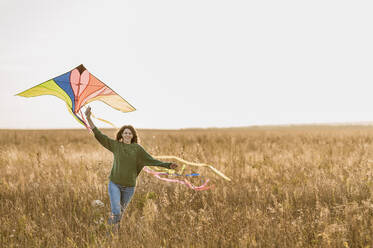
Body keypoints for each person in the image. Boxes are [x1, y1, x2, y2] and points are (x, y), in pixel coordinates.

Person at [84, 106, 177, 231]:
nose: (127, 134)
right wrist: (89, 118)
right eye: (125, 132)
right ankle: (108, 235)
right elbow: (100, 136)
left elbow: (151, 160)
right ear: (121, 134)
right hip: (115, 184)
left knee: (119, 213)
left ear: (133, 135)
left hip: (129, 187)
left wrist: (168, 165)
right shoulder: (116, 145)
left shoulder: (137, 149)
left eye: (129, 133)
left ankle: (113, 236)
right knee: (116, 211)